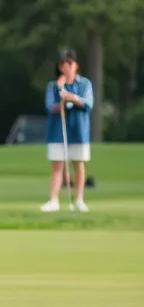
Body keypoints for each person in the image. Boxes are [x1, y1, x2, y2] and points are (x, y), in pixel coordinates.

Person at [42, 49, 94, 212]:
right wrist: (61, 97)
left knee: (78, 164)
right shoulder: (53, 85)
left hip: (78, 130)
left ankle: (79, 199)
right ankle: (53, 200)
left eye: (69, 63)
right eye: (62, 63)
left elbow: (88, 104)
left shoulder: (84, 84)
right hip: (57, 131)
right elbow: (50, 107)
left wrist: (71, 98)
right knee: (57, 165)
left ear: (76, 65)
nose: (66, 66)